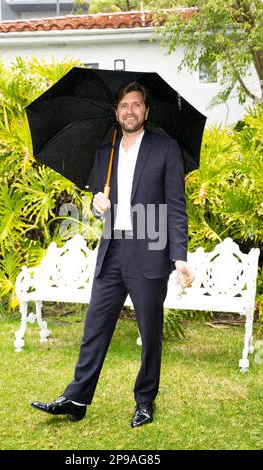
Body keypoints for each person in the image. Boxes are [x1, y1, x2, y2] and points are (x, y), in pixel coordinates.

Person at [31, 82, 194, 427]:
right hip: (112, 251)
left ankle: (145, 401)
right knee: (95, 327)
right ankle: (76, 398)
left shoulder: (166, 149)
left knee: (150, 334)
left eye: (136, 104)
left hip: (150, 251)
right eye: (123, 106)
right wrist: (96, 205)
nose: (129, 111)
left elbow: (176, 208)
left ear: (146, 112)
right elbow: (96, 209)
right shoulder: (106, 153)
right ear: (116, 113)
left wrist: (180, 257)